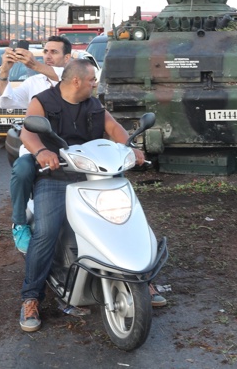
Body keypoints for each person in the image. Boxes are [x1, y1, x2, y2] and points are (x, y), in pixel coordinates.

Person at [18, 59, 163, 332]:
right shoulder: (43, 101)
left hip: (96, 177)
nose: (95, 84)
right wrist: (41, 152)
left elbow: (114, 129)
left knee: (127, 219)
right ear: (76, 81)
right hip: (56, 177)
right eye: (92, 80)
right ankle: (30, 298)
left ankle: (142, 280)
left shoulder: (94, 105)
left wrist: (130, 148)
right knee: (47, 232)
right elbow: (28, 132)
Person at [0, 36, 71, 255]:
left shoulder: (74, 77)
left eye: (54, 52)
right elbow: (5, 101)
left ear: (67, 57)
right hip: (38, 146)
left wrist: (34, 64)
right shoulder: (33, 83)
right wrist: (4, 70)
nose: (48, 56)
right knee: (22, 168)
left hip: (72, 146)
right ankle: (19, 223)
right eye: (45, 51)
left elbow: (64, 81)